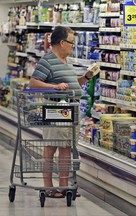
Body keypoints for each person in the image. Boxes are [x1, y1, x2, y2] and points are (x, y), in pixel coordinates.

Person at [29, 26, 95, 198]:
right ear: (62, 42)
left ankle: (64, 187)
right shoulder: (47, 60)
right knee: (50, 147)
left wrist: (86, 77)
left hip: (70, 109)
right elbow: (33, 83)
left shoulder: (68, 61)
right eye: (72, 42)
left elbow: (72, 85)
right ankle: (49, 187)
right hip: (55, 109)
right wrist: (54, 86)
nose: (73, 46)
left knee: (66, 148)